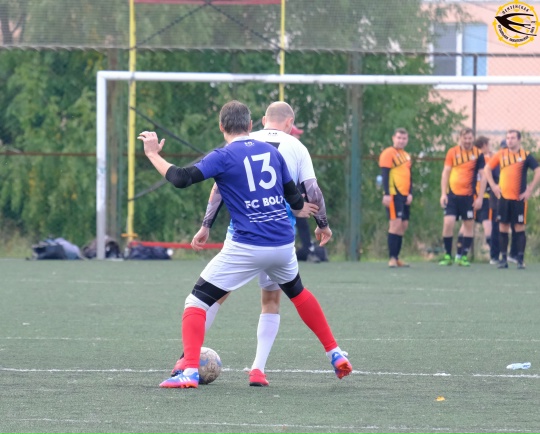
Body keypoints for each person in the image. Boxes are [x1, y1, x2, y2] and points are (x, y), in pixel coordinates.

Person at [138, 100, 352, 389]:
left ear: (221, 127)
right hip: (282, 244)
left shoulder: (223, 155)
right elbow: (294, 197)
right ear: (250, 125)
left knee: (197, 301)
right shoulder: (272, 153)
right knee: (297, 293)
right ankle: (334, 352)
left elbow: (181, 178)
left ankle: (188, 371)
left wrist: (152, 153)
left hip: (247, 245)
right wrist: (313, 217)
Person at [183, 102, 333, 387]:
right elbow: (311, 191)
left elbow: (217, 187)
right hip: (279, 236)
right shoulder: (296, 147)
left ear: (262, 121)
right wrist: (322, 224)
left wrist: (206, 225)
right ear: (290, 123)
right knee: (274, 299)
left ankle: (186, 361)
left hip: (243, 234)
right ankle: (258, 369)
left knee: (211, 296)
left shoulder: (240, 143)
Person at [476, 129, 540, 269]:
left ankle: (520, 259)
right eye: (508, 138)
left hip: (519, 198)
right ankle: (503, 259)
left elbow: (538, 170)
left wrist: (530, 189)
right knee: (503, 227)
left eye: (512, 138)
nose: (510, 140)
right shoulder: (501, 154)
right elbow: (487, 169)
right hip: (503, 198)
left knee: (519, 227)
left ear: (519, 140)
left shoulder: (525, 156)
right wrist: (493, 186)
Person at [438, 128, 485, 266]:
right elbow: (446, 173)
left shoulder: (478, 154)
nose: (467, 141)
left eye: (470, 138)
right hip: (452, 195)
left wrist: (480, 198)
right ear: (460, 138)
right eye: (465, 138)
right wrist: (443, 194)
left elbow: (483, 176)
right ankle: (447, 255)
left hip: (469, 196)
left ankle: (463, 257)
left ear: (473, 139)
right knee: (448, 223)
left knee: (468, 225)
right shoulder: (452, 152)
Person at [378, 128, 412, 268]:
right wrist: (386, 194)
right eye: (399, 138)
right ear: (393, 138)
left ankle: (397, 257)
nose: (401, 141)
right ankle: (392, 258)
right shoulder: (388, 153)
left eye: (404, 138)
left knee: (403, 225)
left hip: (405, 195)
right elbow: (385, 174)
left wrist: (410, 193)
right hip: (393, 194)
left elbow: (409, 176)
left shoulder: (406, 155)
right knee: (395, 224)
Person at [456, 136, 493, 262]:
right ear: (484, 146)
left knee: (466, 225)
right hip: (483, 196)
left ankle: (459, 254)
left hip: (470, 196)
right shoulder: (486, 159)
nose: (489, 148)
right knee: (487, 224)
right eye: (488, 145)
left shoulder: (469, 158)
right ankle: (494, 256)